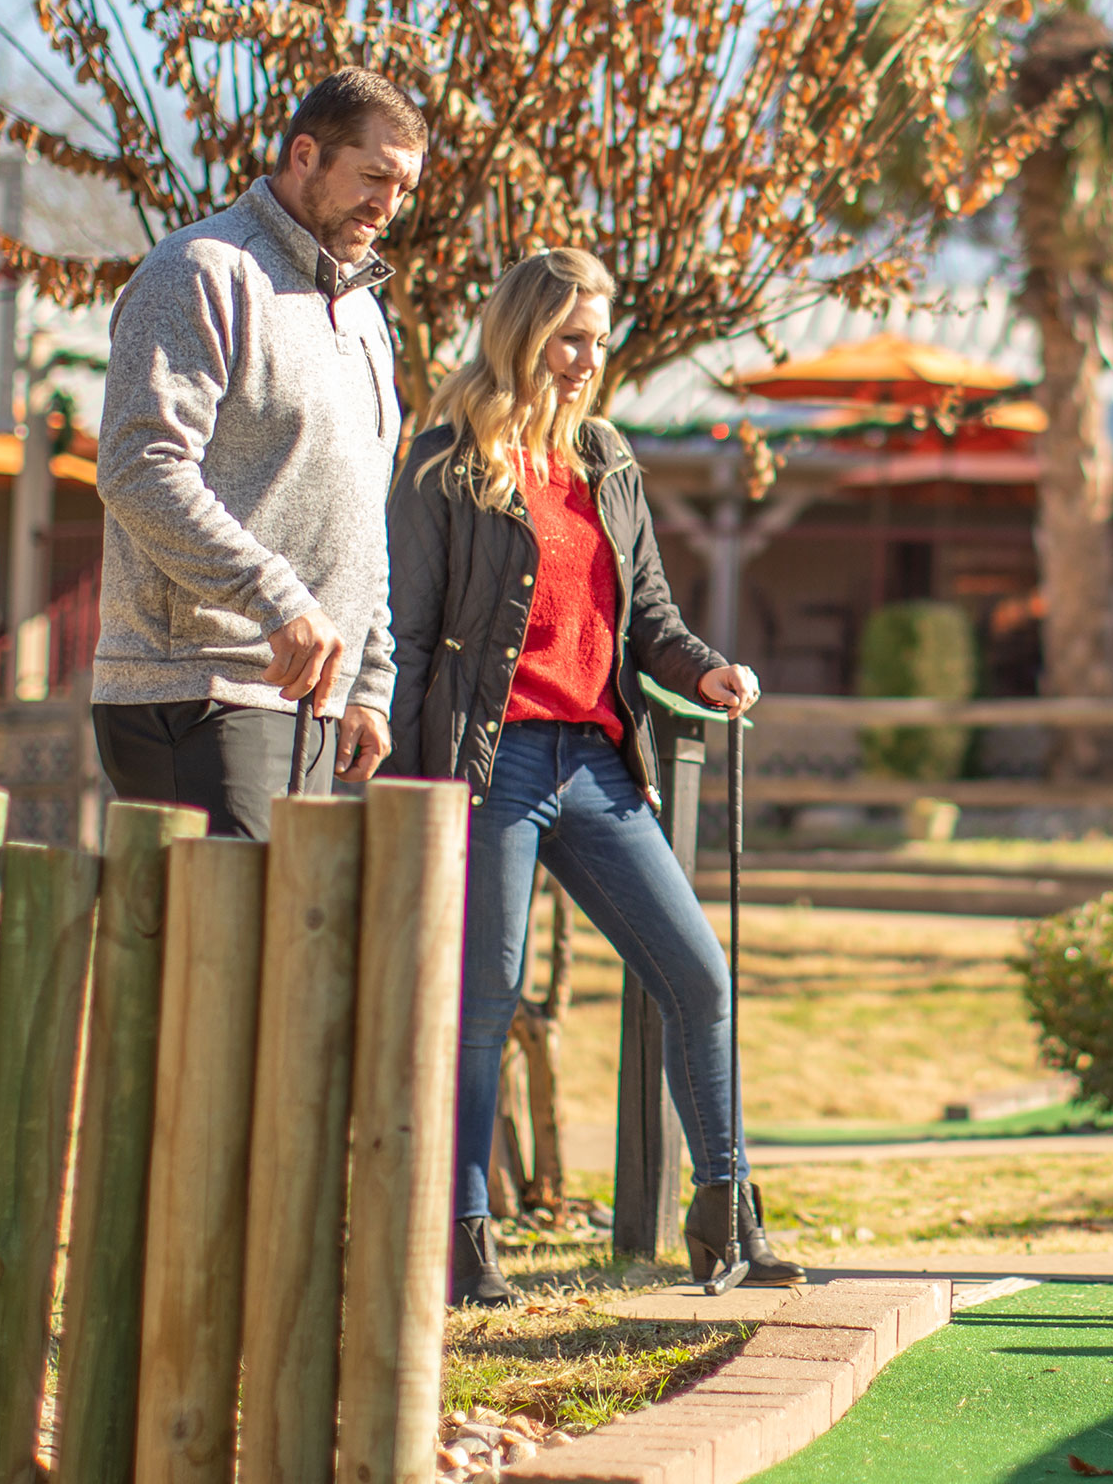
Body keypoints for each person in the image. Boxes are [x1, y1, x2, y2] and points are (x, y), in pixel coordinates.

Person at [386, 249, 794, 1305]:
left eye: (598, 342)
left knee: (698, 976)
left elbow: (648, 617)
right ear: (521, 333)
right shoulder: (444, 463)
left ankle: (727, 1217)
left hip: (599, 764)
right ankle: (462, 1241)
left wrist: (706, 668)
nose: (585, 361)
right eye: (569, 338)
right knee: (485, 998)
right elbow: (411, 636)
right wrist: (400, 792)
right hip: (491, 767)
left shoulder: (606, 461)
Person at [92, 68, 420, 835]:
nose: (388, 205)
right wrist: (277, 599)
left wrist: (370, 681)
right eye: (373, 176)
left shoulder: (368, 318)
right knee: (218, 952)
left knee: (282, 953)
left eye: (403, 188)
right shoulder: (200, 269)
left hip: (311, 702)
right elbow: (140, 468)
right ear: (304, 154)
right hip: (198, 690)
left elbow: (362, 513)